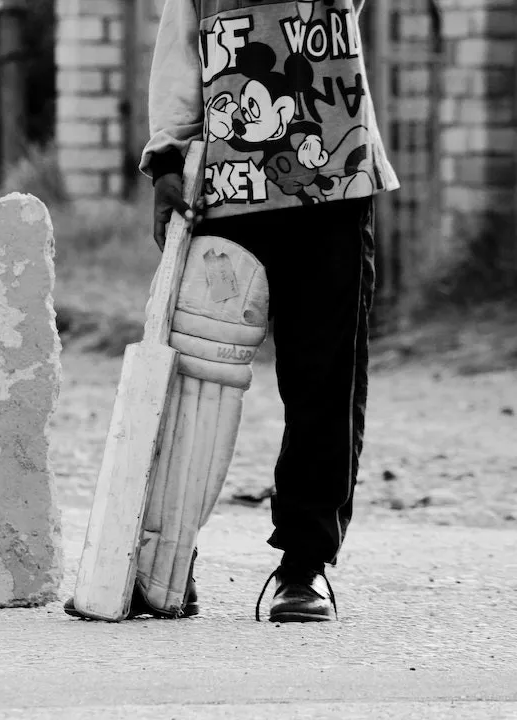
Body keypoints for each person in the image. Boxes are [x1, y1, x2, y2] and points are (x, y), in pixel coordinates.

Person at [143, 0, 398, 621]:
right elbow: (179, 53)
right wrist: (167, 162)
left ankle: (303, 569)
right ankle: (166, 560)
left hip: (333, 184)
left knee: (324, 380)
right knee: (192, 377)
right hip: (225, 191)